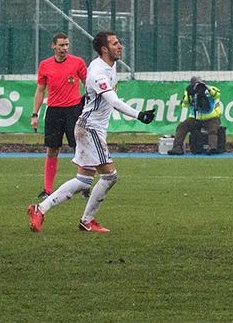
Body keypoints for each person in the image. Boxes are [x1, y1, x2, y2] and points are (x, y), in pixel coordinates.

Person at [28, 31, 156, 233]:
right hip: (90, 129)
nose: (120, 46)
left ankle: (40, 209)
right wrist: (139, 115)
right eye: (115, 43)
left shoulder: (110, 66)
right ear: (104, 49)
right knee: (110, 176)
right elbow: (113, 101)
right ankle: (87, 220)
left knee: (83, 180)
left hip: (90, 127)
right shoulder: (97, 72)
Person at [30, 32, 88, 198]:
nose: (64, 48)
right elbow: (40, 90)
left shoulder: (78, 62)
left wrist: (88, 107)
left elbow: (88, 85)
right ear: (53, 46)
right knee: (52, 150)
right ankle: (47, 190)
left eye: (67, 44)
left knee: (79, 150)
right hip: (53, 112)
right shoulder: (45, 65)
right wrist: (35, 114)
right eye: (61, 45)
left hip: (73, 111)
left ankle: (85, 188)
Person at [168, 76, 224, 155]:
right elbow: (185, 105)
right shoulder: (190, 92)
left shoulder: (210, 88)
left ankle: (212, 148)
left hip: (212, 118)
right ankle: (177, 147)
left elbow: (216, 94)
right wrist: (189, 93)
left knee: (212, 129)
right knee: (182, 126)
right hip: (196, 119)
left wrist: (207, 88)